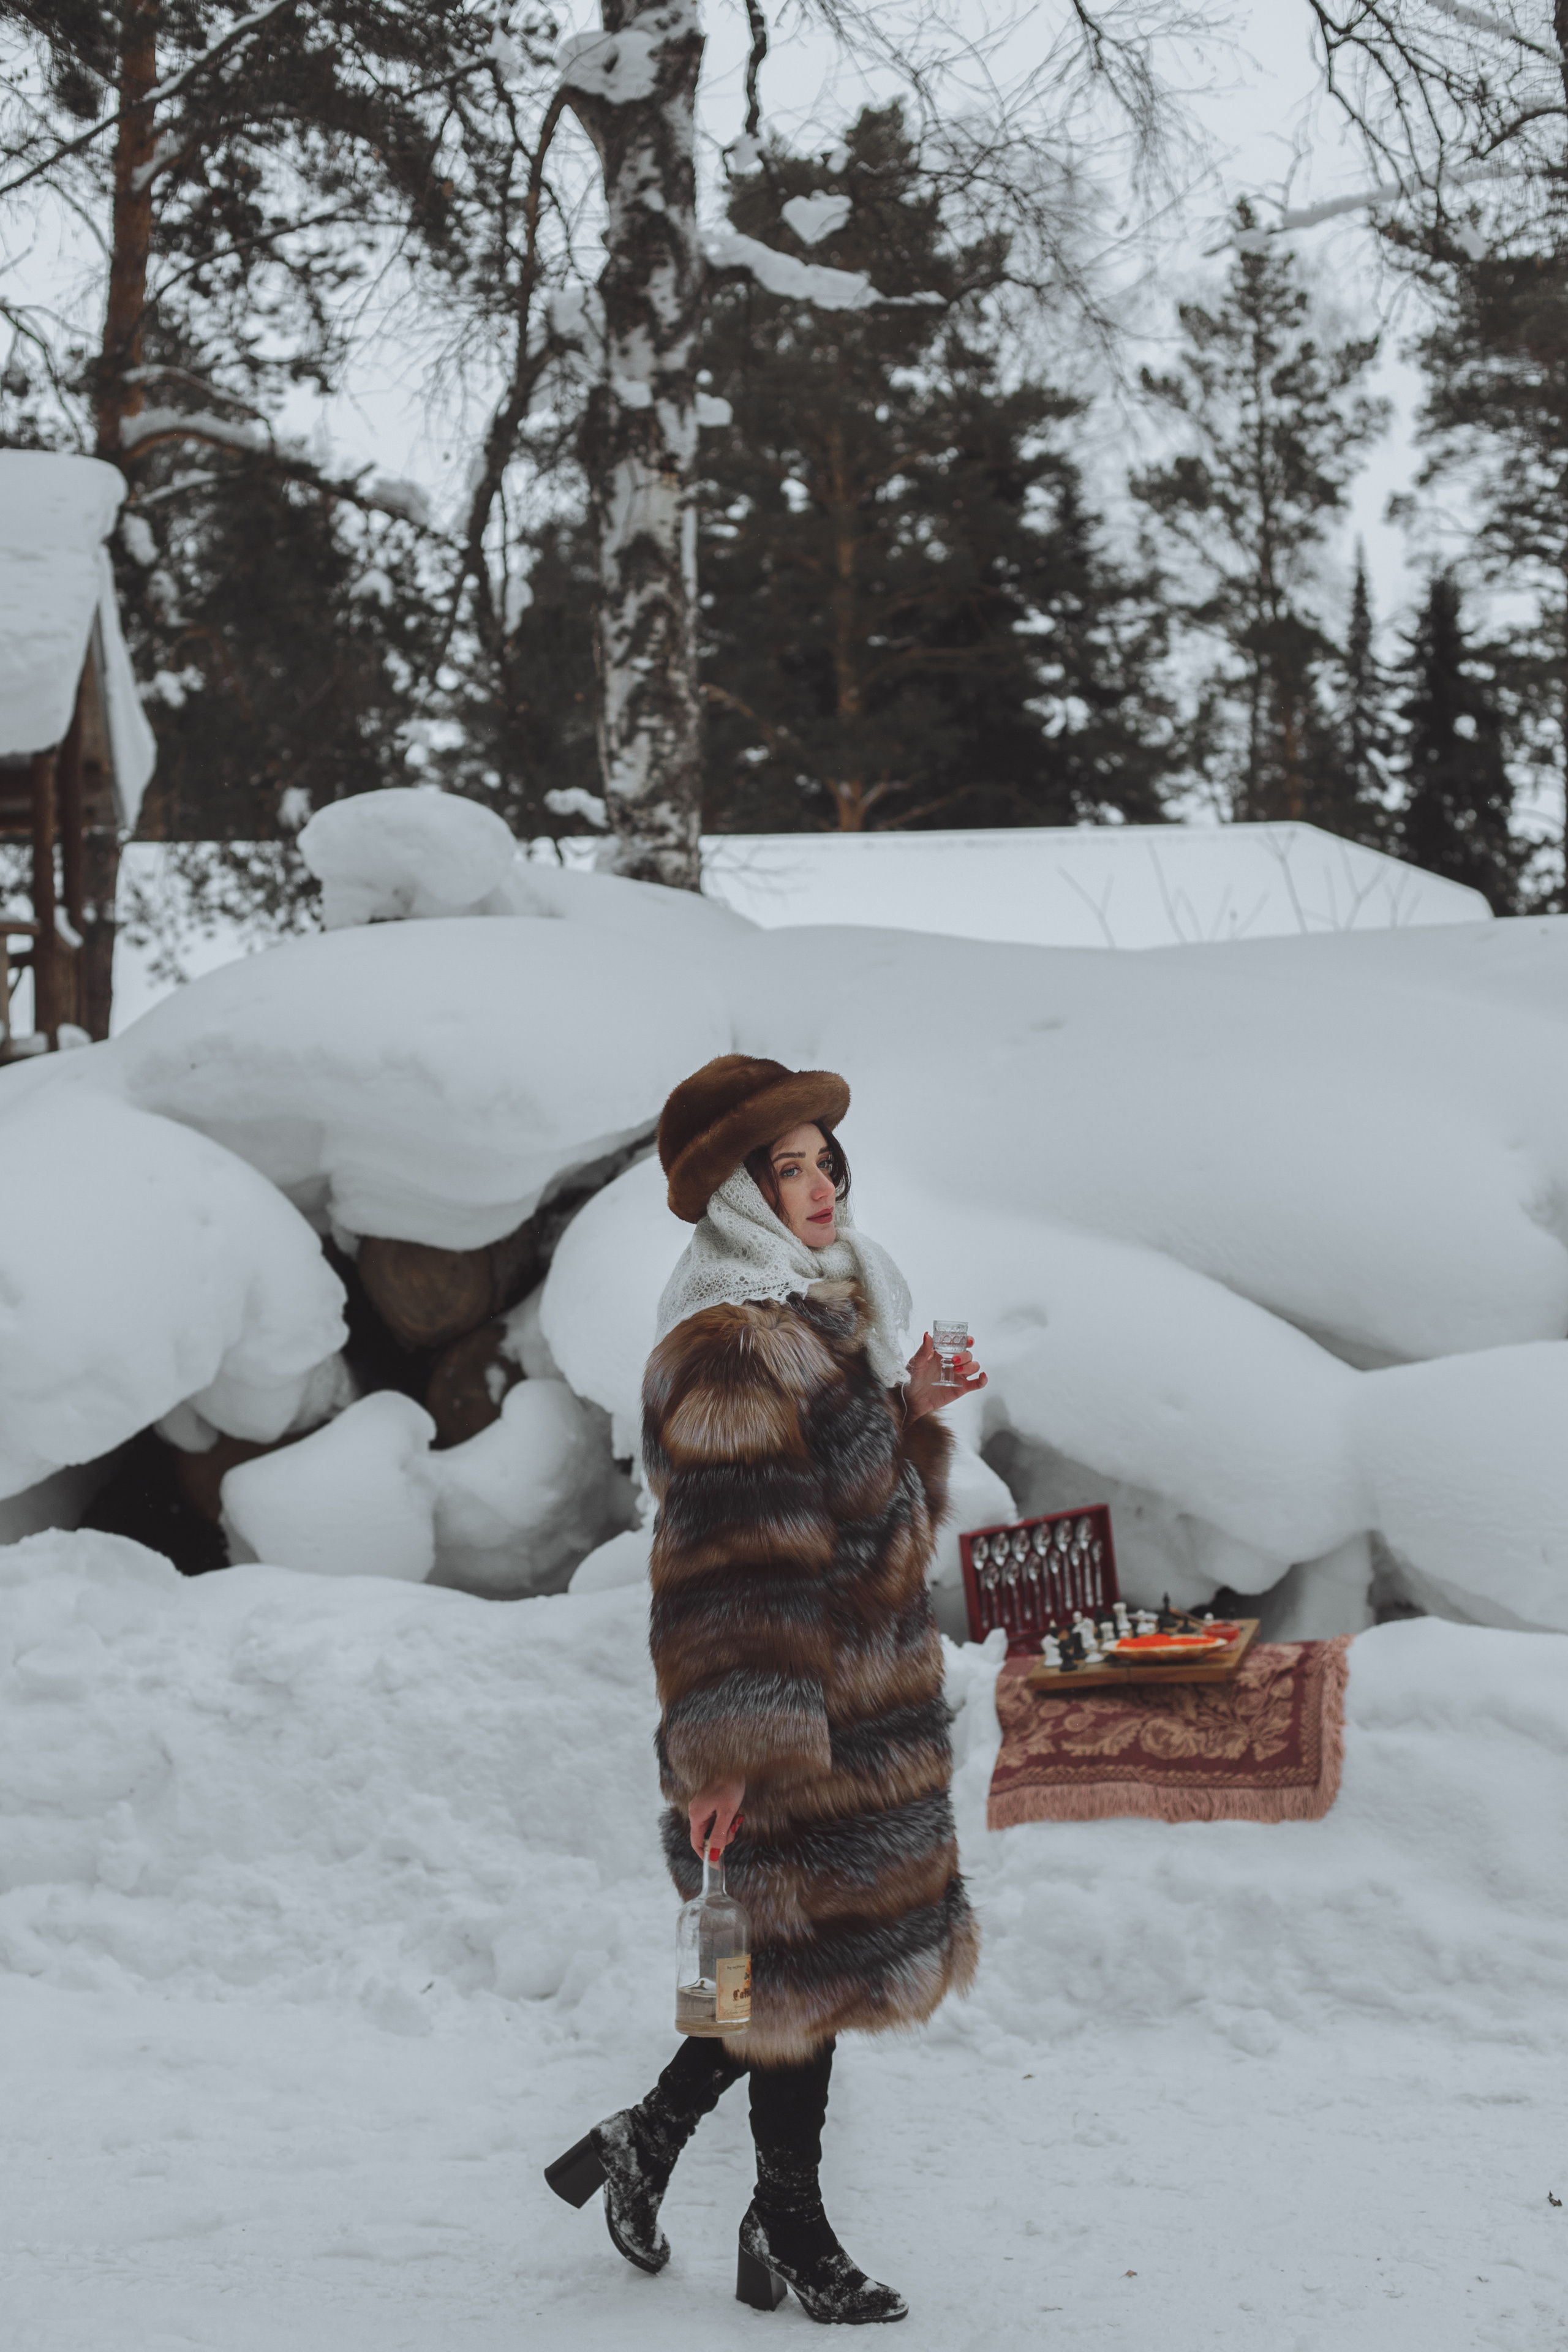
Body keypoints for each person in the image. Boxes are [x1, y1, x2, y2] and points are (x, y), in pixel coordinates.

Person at [546, 1054, 984, 2326]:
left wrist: (910, 1411)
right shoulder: (732, 1346)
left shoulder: (823, 1313)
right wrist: (729, 1753)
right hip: (785, 1718)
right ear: (733, 1194)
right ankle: (785, 2224)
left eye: (822, 1159)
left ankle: (651, 2143)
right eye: (782, 1167)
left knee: (788, 1980)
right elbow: (730, 1567)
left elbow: (861, 1519)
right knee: (784, 1979)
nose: (815, 1185)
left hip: (856, 1711)